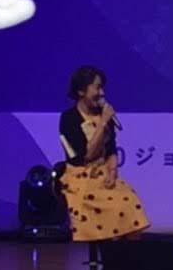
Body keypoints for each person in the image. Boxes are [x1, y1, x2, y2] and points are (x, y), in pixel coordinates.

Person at [58, 65, 150, 242]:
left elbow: (111, 148)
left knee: (130, 204)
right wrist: (103, 122)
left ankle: (129, 255)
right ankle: (110, 254)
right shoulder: (69, 118)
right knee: (113, 208)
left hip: (104, 172)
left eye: (102, 88)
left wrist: (113, 171)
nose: (102, 93)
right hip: (81, 177)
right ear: (81, 91)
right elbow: (86, 155)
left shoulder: (102, 114)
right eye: (97, 88)